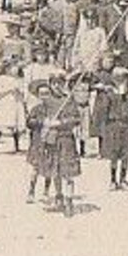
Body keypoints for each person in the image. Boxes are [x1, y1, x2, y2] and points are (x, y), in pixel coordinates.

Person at [96, 66, 128, 190]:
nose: (122, 82)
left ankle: (123, 179)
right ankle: (113, 180)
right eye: (119, 79)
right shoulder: (109, 95)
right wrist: (105, 93)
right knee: (114, 156)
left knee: (126, 155)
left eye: (124, 79)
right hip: (113, 126)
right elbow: (103, 111)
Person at [42, 72, 83, 213]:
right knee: (55, 171)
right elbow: (38, 117)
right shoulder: (46, 101)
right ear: (50, 85)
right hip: (52, 140)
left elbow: (76, 119)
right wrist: (45, 122)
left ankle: (69, 201)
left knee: (68, 172)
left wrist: (60, 122)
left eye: (59, 83)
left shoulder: (69, 100)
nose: (57, 86)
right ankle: (58, 196)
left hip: (66, 140)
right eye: (54, 83)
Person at [0, 58, 27, 153]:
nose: (15, 70)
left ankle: (16, 145)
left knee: (16, 125)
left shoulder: (19, 80)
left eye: (16, 68)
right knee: (1, 124)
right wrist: (9, 90)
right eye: (12, 68)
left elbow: (23, 92)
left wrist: (20, 92)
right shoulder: (1, 79)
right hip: (5, 104)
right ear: (6, 69)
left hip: (16, 103)